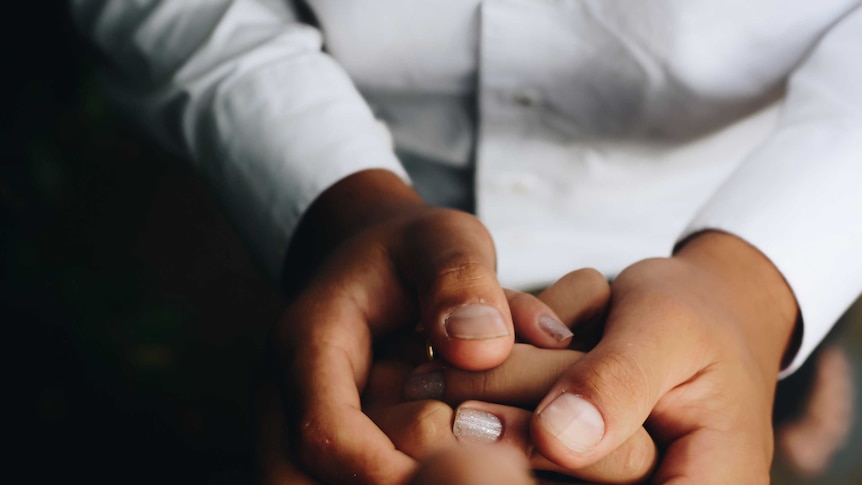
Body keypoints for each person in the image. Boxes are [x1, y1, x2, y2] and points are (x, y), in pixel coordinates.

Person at [70, 1, 862, 483]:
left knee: (754, 380)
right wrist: (340, 206)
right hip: (362, 195)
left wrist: (761, 288)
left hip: (738, 196)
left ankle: (789, 383)